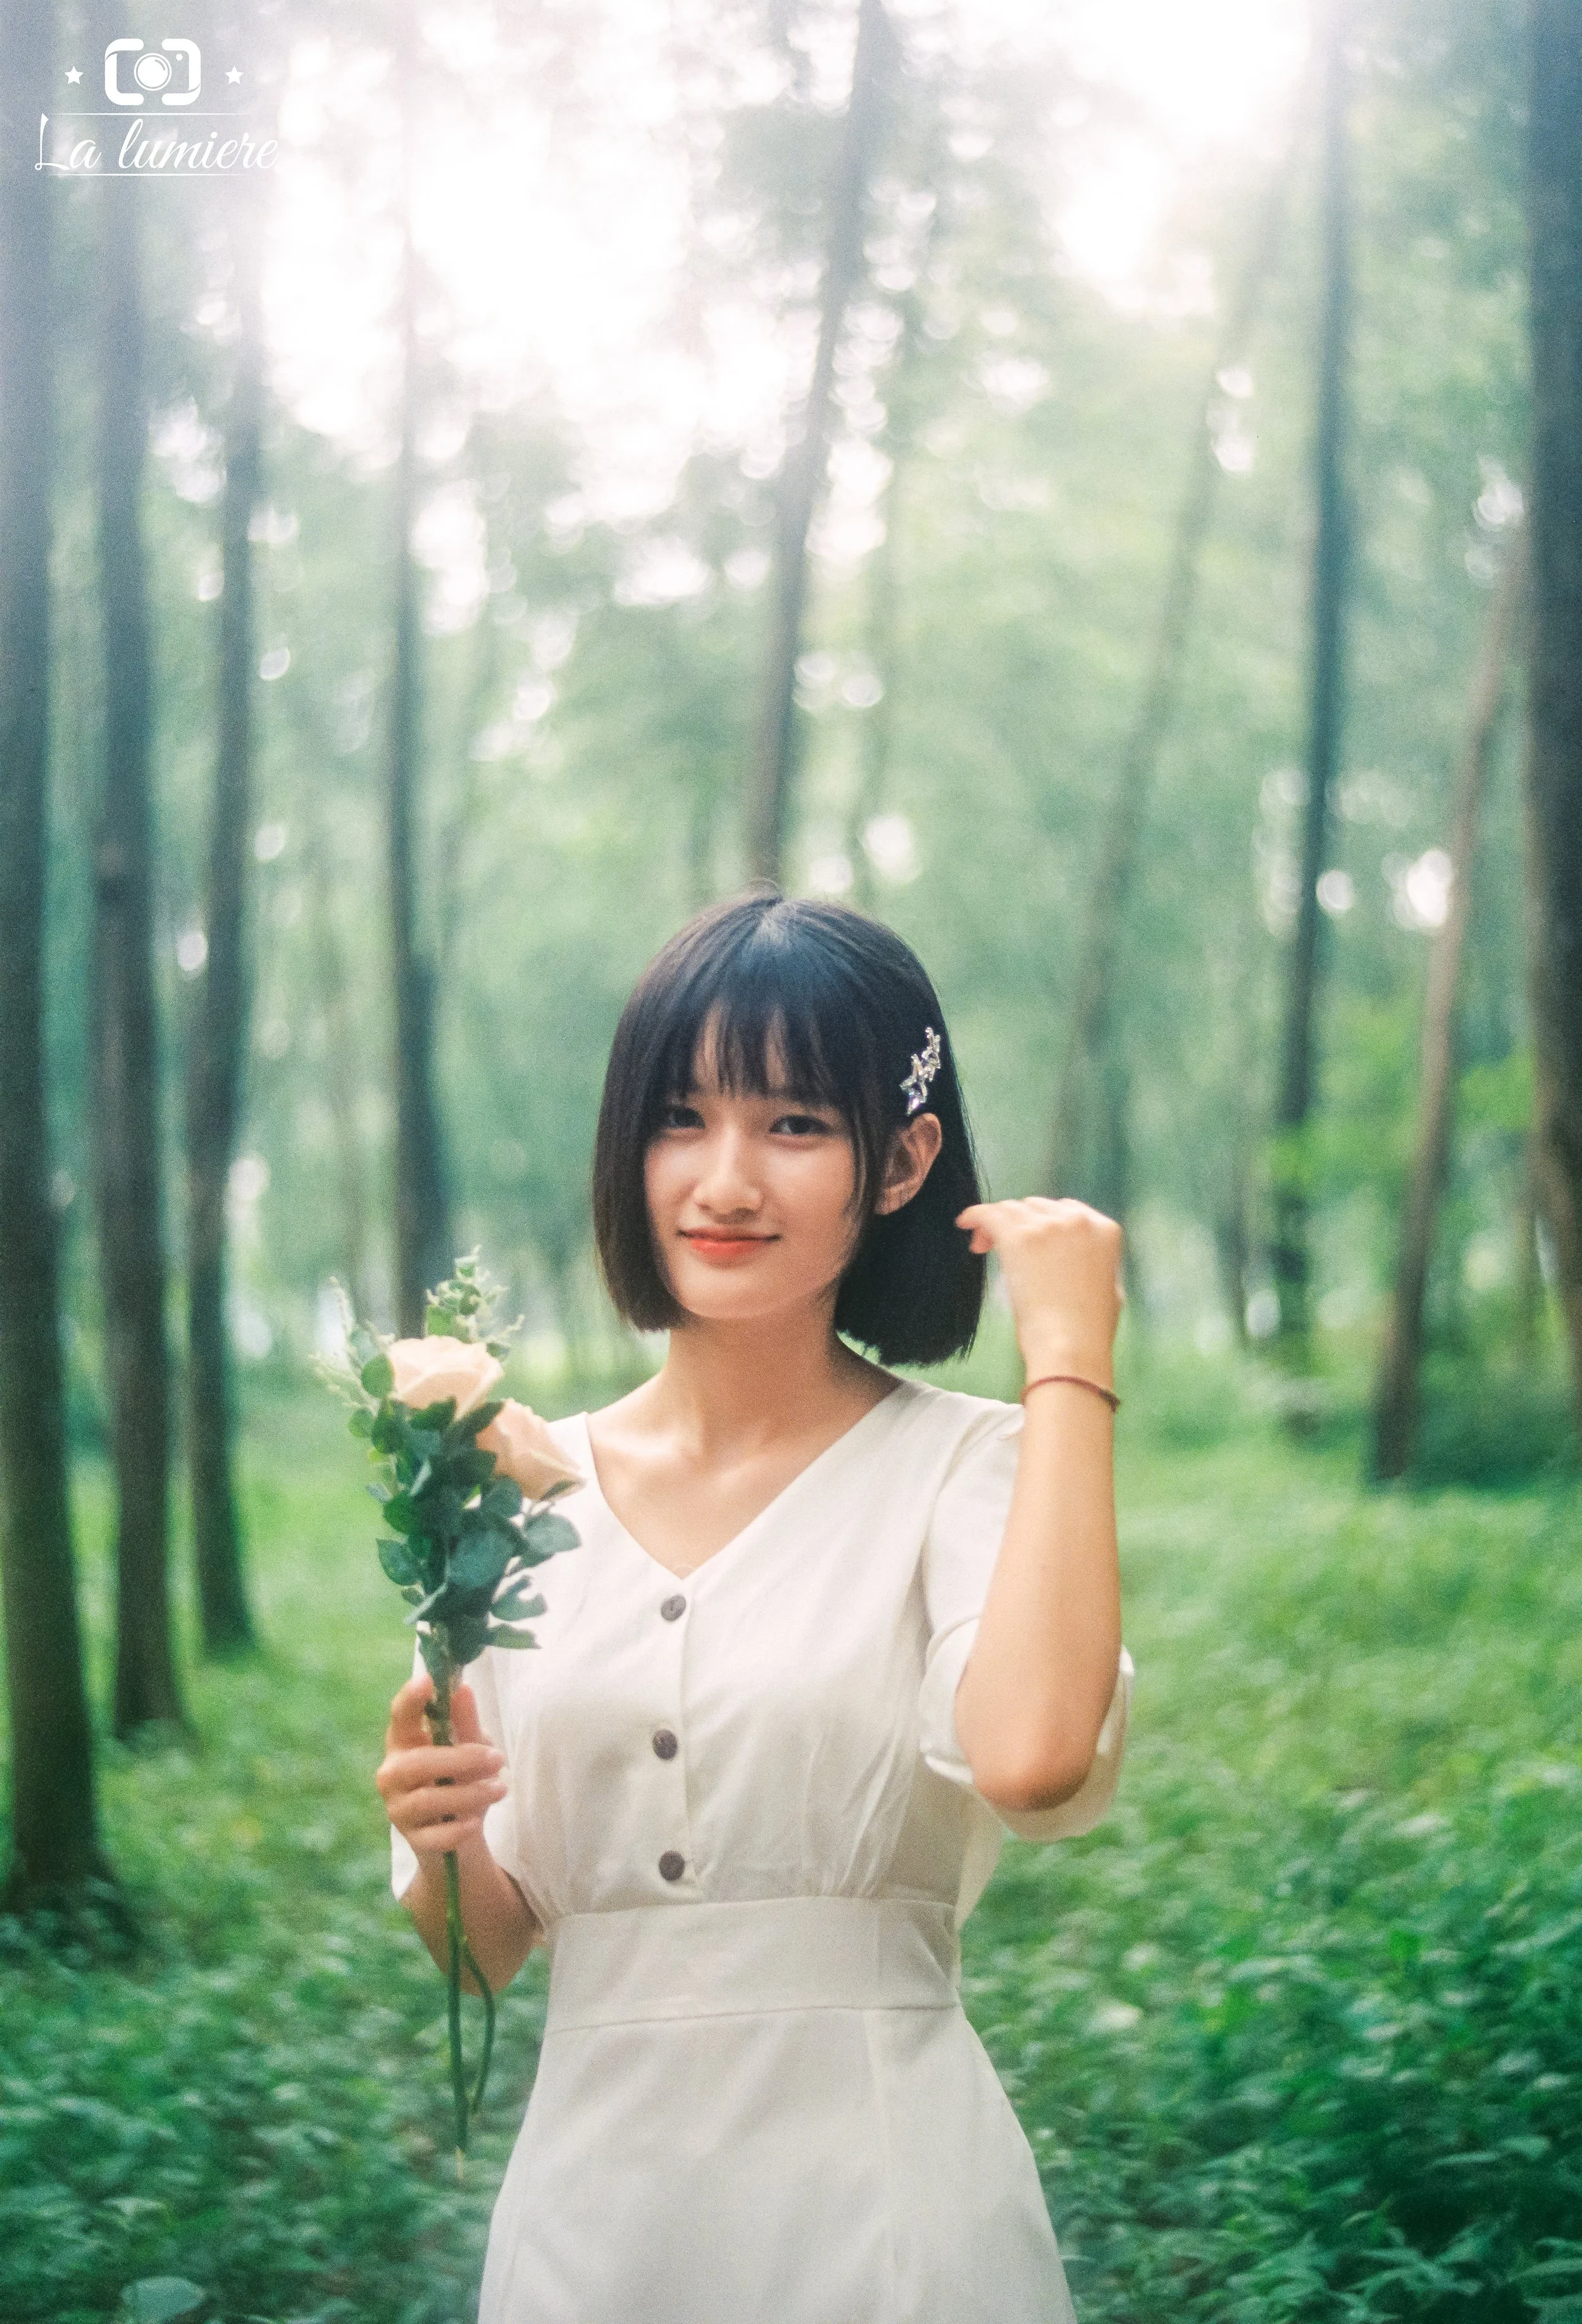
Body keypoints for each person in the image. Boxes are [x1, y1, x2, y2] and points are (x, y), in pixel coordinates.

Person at [377, 890, 1133, 2324]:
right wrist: (438, 1834)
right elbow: (490, 1947)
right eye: (682, 1117)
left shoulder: (969, 1472)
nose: (723, 1180)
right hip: (594, 2233)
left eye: (792, 1125)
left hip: (887, 2223)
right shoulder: (510, 1493)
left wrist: (1067, 1353)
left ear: (900, 1157)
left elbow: (1035, 1759)